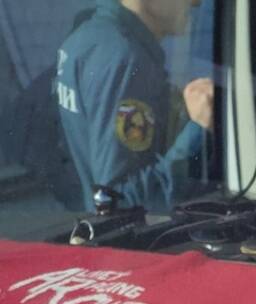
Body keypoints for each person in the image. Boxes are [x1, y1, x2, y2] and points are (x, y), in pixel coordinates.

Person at [54, 0, 214, 212]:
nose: (196, 3)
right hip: (136, 233)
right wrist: (199, 130)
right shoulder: (124, 58)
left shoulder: (88, 38)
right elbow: (120, 201)